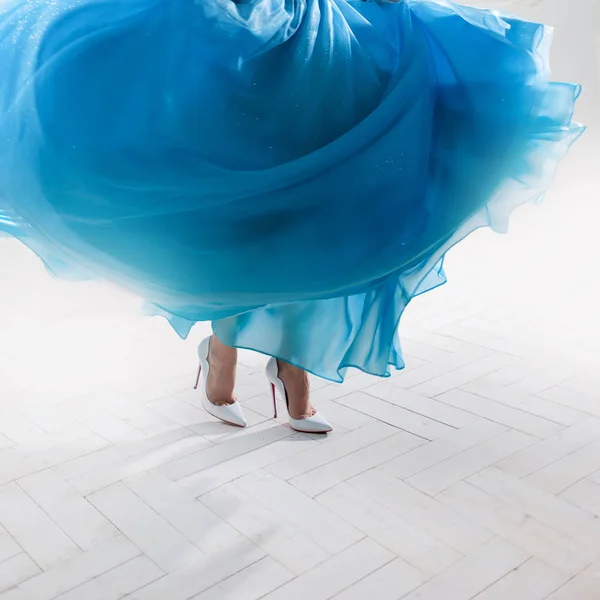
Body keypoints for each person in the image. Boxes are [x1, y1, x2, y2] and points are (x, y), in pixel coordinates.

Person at [0, 0, 583, 434]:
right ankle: (226, 355)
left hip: (314, 42)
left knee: (315, 213)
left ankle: (289, 364)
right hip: (224, 38)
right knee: (241, 216)